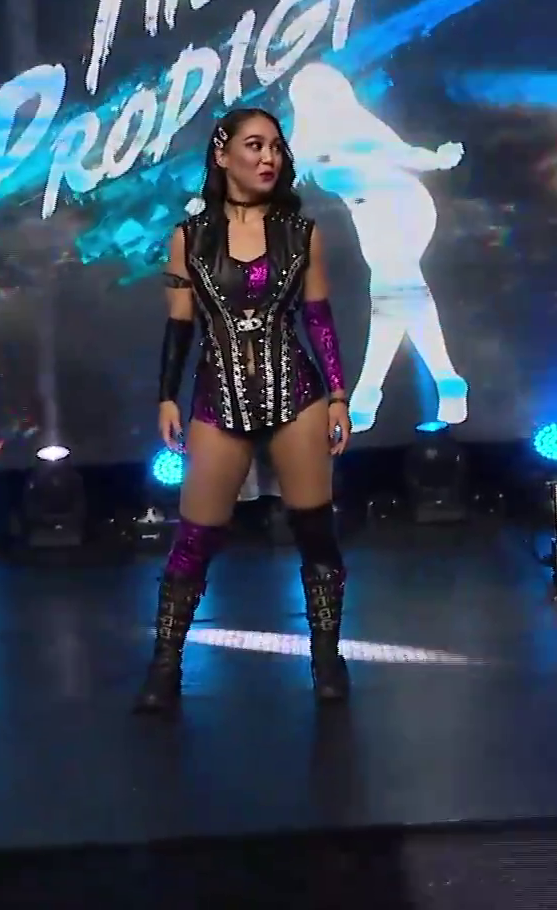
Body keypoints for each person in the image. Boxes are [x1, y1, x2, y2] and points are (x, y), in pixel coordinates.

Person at [138, 107, 354, 714]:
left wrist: (339, 395)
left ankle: (327, 659)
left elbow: (319, 319)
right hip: (218, 397)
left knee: (315, 532)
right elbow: (179, 327)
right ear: (222, 153)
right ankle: (164, 666)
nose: (268, 158)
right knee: (195, 537)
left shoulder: (302, 233)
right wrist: (166, 396)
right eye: (255, 145)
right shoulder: (189, 238)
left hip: (297, 395)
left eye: (276, 147)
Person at [286, 62, 468, 432]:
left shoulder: (358, 124)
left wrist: (439, 159)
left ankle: (370, 393)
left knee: (391, 290)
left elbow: (406, 154)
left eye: (324, 90)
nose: (319, 99)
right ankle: (445, 382)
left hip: (403, 206)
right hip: (369, 220)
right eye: (310, 94)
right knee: (397, 297)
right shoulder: (303, 144)